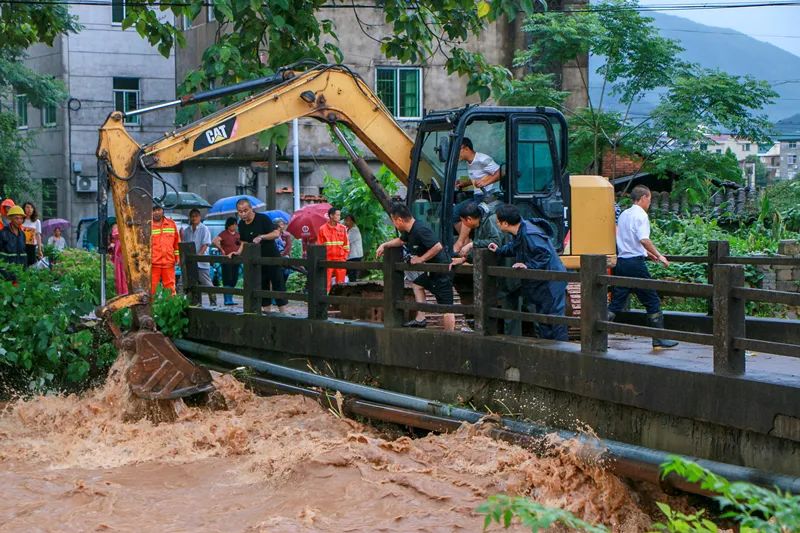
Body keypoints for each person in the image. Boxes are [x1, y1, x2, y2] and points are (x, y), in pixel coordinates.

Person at [608, 185, 678, 349]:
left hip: (622, 262)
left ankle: (594, 332)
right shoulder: (641, 215)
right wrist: (659, 255)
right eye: (649, 199)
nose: (649, 203)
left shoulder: (625, 214)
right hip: (635, 264)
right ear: (644, 197)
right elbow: (643, 240)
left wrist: (648, 254)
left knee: (617, 302)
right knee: (651, 300)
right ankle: (658, 339)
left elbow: (628, 239)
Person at [488, 204, 568, 341]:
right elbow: (515, 247)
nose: (496, 223)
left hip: (551, 281)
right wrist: (499, 250)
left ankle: (561, 349)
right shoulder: (522, 230)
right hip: (544, 281)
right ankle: (548, 348)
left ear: (506, 223)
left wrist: (526, 265)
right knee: (544, 318)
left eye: (498, 221)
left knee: (553, 319)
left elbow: (544, 255)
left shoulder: (529, 233)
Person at [377, 202, 455, 331]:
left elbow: (437, 246)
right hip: (431, 271)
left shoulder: (420, 229)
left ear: (399, 220)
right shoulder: (410, 231)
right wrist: (384, 245)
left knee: (447, 308)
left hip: (441, 271)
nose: (394, 224)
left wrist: (421, 259)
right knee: (417, 285)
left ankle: (451, 337)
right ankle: (421, 318)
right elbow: (401, 241)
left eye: (393, 221)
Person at [231, 198, 287, 313]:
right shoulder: (241, 224)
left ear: (251, 209)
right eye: (240, 212)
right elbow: (244, 242)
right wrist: (238, 252)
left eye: (245, 210)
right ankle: (266, 312)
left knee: (277, 282)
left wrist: (262, 236)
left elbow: (276, 233)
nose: (243, 214)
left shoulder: (262, 219)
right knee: (262, 284)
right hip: (257, 260)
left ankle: (283, 312)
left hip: (271, 256)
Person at [181, 208, 217, 306]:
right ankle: (196, 302)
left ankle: (213, 301)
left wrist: (198, 256)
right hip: (191, 261)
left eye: (196, 216)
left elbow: (205, 244)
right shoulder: (187, 230)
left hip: (201, 261)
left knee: (206, 282)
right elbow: (185, 244)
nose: (194, 218)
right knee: (193, 283)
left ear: (200, 217)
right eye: (192, 216)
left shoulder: (204, 228)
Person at [317, 206, 349, 293]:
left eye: (339, 215)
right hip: (327, 260)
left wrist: (344, 257)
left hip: (340, 260)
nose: (339, 217)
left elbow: (346, 245)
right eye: (338, 215)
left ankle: (339, 304)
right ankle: (326, 304)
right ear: (331, 216)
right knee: (326, 284)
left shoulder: (343, 228)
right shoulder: (322, 229)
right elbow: (319, 246)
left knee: (341, 284)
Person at [151, 205, 180, 295]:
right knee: (152, 288)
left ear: (163, 210)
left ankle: (170, 307)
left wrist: (177, 257)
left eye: (158, 209)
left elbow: (176, 242)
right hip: (153, 263)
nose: (156, 212)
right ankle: (152, 308)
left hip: (168, 262)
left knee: (170, 288)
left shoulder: (171, 224)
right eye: (154, 210)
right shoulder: (148, 225)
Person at [212, 217, 241, 306]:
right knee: (227, 278)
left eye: (236, 224)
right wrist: (221, 249)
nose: (235, 226)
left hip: (236, 259)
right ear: (229, 225)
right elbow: (215, 241)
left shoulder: (238, 234)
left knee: (234, 279)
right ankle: (227, 299)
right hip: (226, 259)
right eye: (233, 224)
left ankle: (231, 298)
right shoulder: (224, 234)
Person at [0, 205, 27, 274]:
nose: (19, 221)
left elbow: (23, 254)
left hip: (20, 272)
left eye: (21, 218)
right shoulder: (3, 233)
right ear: (10, 218)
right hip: (6, 272)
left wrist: (24, 270)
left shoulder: (22, 235)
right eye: (16, 218)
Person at [109, 223, 128, 296]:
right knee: (120, 278)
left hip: (122, 255)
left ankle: (124, 295)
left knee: (123, 278)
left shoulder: (121, 228)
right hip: (119, 256)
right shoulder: (117, 226)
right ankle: (122, 295)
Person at [21, 202, 43, 266]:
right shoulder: (20, 220)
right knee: (22, 265)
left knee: (32, 265)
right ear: (24, 209)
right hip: (21, 246)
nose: (29, 209)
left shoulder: (37, 221)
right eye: (27, 207)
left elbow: (38, 236)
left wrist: (39, 250)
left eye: (31, 207)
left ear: (33, 210)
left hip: (32, 247)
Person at [344, 214, 363, 282]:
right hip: (351, 256)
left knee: (352, 275)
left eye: (348, 220)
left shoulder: (354, 230)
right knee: (350, 274)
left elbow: (346, 241)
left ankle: (353, 289)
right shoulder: (348, 229)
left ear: (352, 221)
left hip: (355, 256)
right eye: (345, 220)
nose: (346, 222)